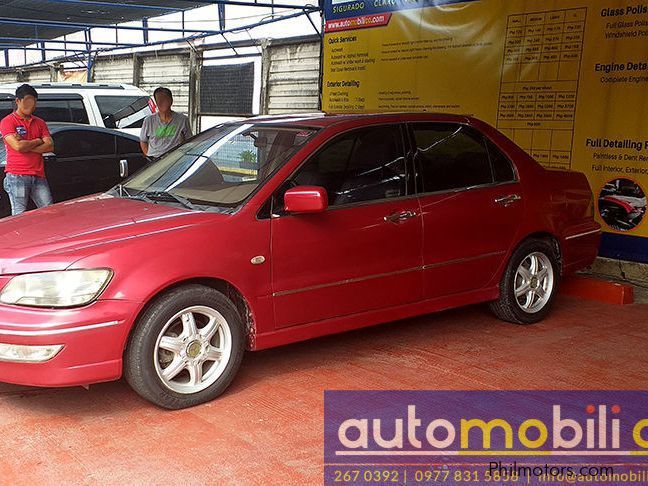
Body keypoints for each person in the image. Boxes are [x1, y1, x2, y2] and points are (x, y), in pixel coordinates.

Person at [0, 84, 54, 216]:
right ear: (18, 101)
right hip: (16, 176)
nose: (32, 105)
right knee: (19, 214)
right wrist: (38, 140)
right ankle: (19, 238)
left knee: (50, 211)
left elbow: (50, 146)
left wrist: (26, 145)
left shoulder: (40, 122)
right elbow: (18, 147)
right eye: (28, 101)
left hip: (38, 175)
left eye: (34, 102)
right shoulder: (7, 122)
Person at [140, 87, 192, 160]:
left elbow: (189, 141)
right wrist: (149, 156)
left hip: (174, 159)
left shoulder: (182, 120)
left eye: (164, 100)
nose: (161, 103)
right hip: (154, 160)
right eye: (158, 100)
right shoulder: (149, 120)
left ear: (171, 101)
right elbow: (143, 141)